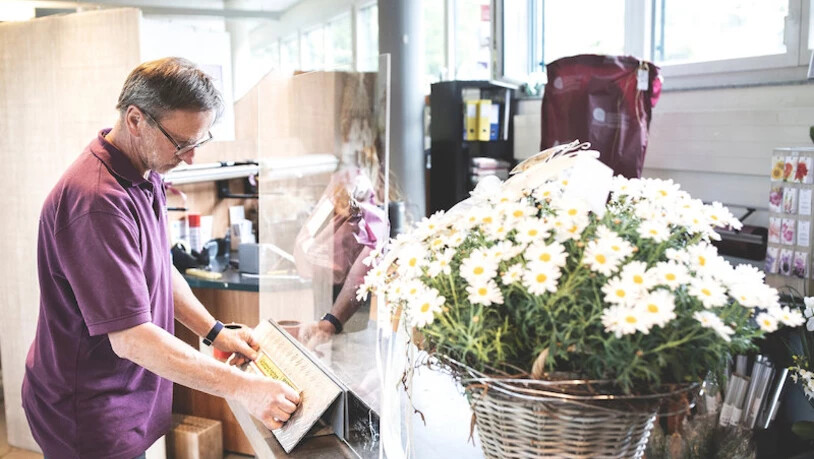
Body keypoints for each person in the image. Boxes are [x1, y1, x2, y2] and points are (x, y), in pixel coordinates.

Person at [21, 57, 300, 459]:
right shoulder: (97, 202)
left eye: (197, 143)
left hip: (126, 395)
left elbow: (158, 270)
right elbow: (133, 339)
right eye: (182, 143)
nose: (190, 158)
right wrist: (243, 389)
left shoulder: (143, 172)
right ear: (135, 120)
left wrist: (216, 331)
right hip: (87, 409)